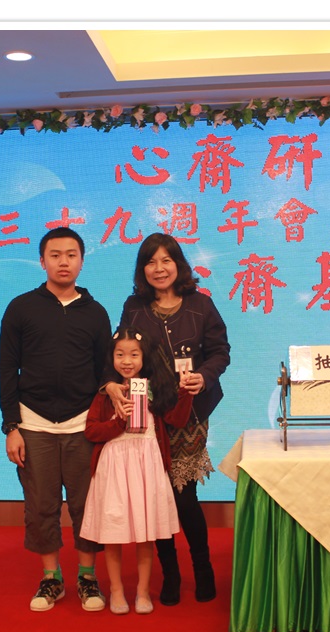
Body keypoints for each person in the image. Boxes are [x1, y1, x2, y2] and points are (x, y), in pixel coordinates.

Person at [108, 232, 231, 605]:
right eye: (150, 262)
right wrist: (113, 384)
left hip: (191, 414)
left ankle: (203, 569)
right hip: (150, 413)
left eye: (166, 260)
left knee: (185, 496)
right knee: (155, 495)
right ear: (142, 269)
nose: (159, 269)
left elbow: (221, 352)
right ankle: (171, 575)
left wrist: (204, 376)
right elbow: (122, 351)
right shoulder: (134, 307)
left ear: (178, 264)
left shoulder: (200, 304)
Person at [0, 227, 113, 612]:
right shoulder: (20, 308)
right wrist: (12, 427)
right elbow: (6, 369)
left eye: (71, 255)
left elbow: (105, 373)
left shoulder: (96, 313)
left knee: (87, 505)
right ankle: (51, 578)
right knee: (40, 506)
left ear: (82, 261)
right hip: (34, 424)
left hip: (83, 425)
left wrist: (104, 424)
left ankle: (87, 577)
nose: (64, 262)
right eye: (55, 255)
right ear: (42, 261)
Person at [83, 328, 194, 615]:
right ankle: (117, 590)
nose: (127, 361)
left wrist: (185, 393)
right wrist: (119, 423)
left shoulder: (154, 390)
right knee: (113, 531)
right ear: (111, 358)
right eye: (120, 354)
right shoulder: (106, 393)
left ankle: (143, 591)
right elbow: (91, 431)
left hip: (147, 465)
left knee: (146, 532)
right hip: (114, 468)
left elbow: (177, 419)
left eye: (134, 354)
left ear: (145, 357)